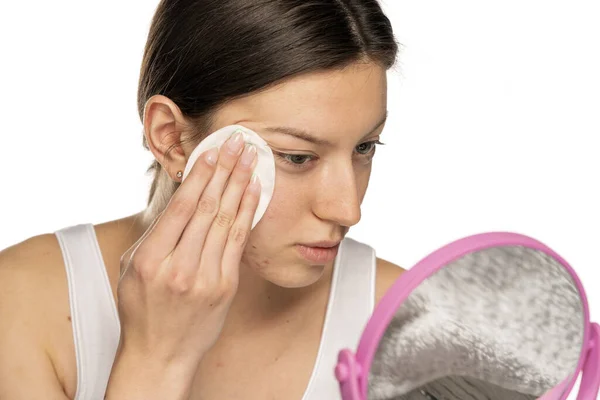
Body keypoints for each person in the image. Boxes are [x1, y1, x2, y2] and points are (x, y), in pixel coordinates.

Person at [0, 0, 406, 399]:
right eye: (297, 156)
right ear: (172, 138)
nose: (347, 209)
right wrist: (156, 360)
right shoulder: (21, 304)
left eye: (365, 148)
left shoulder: (410, 318)